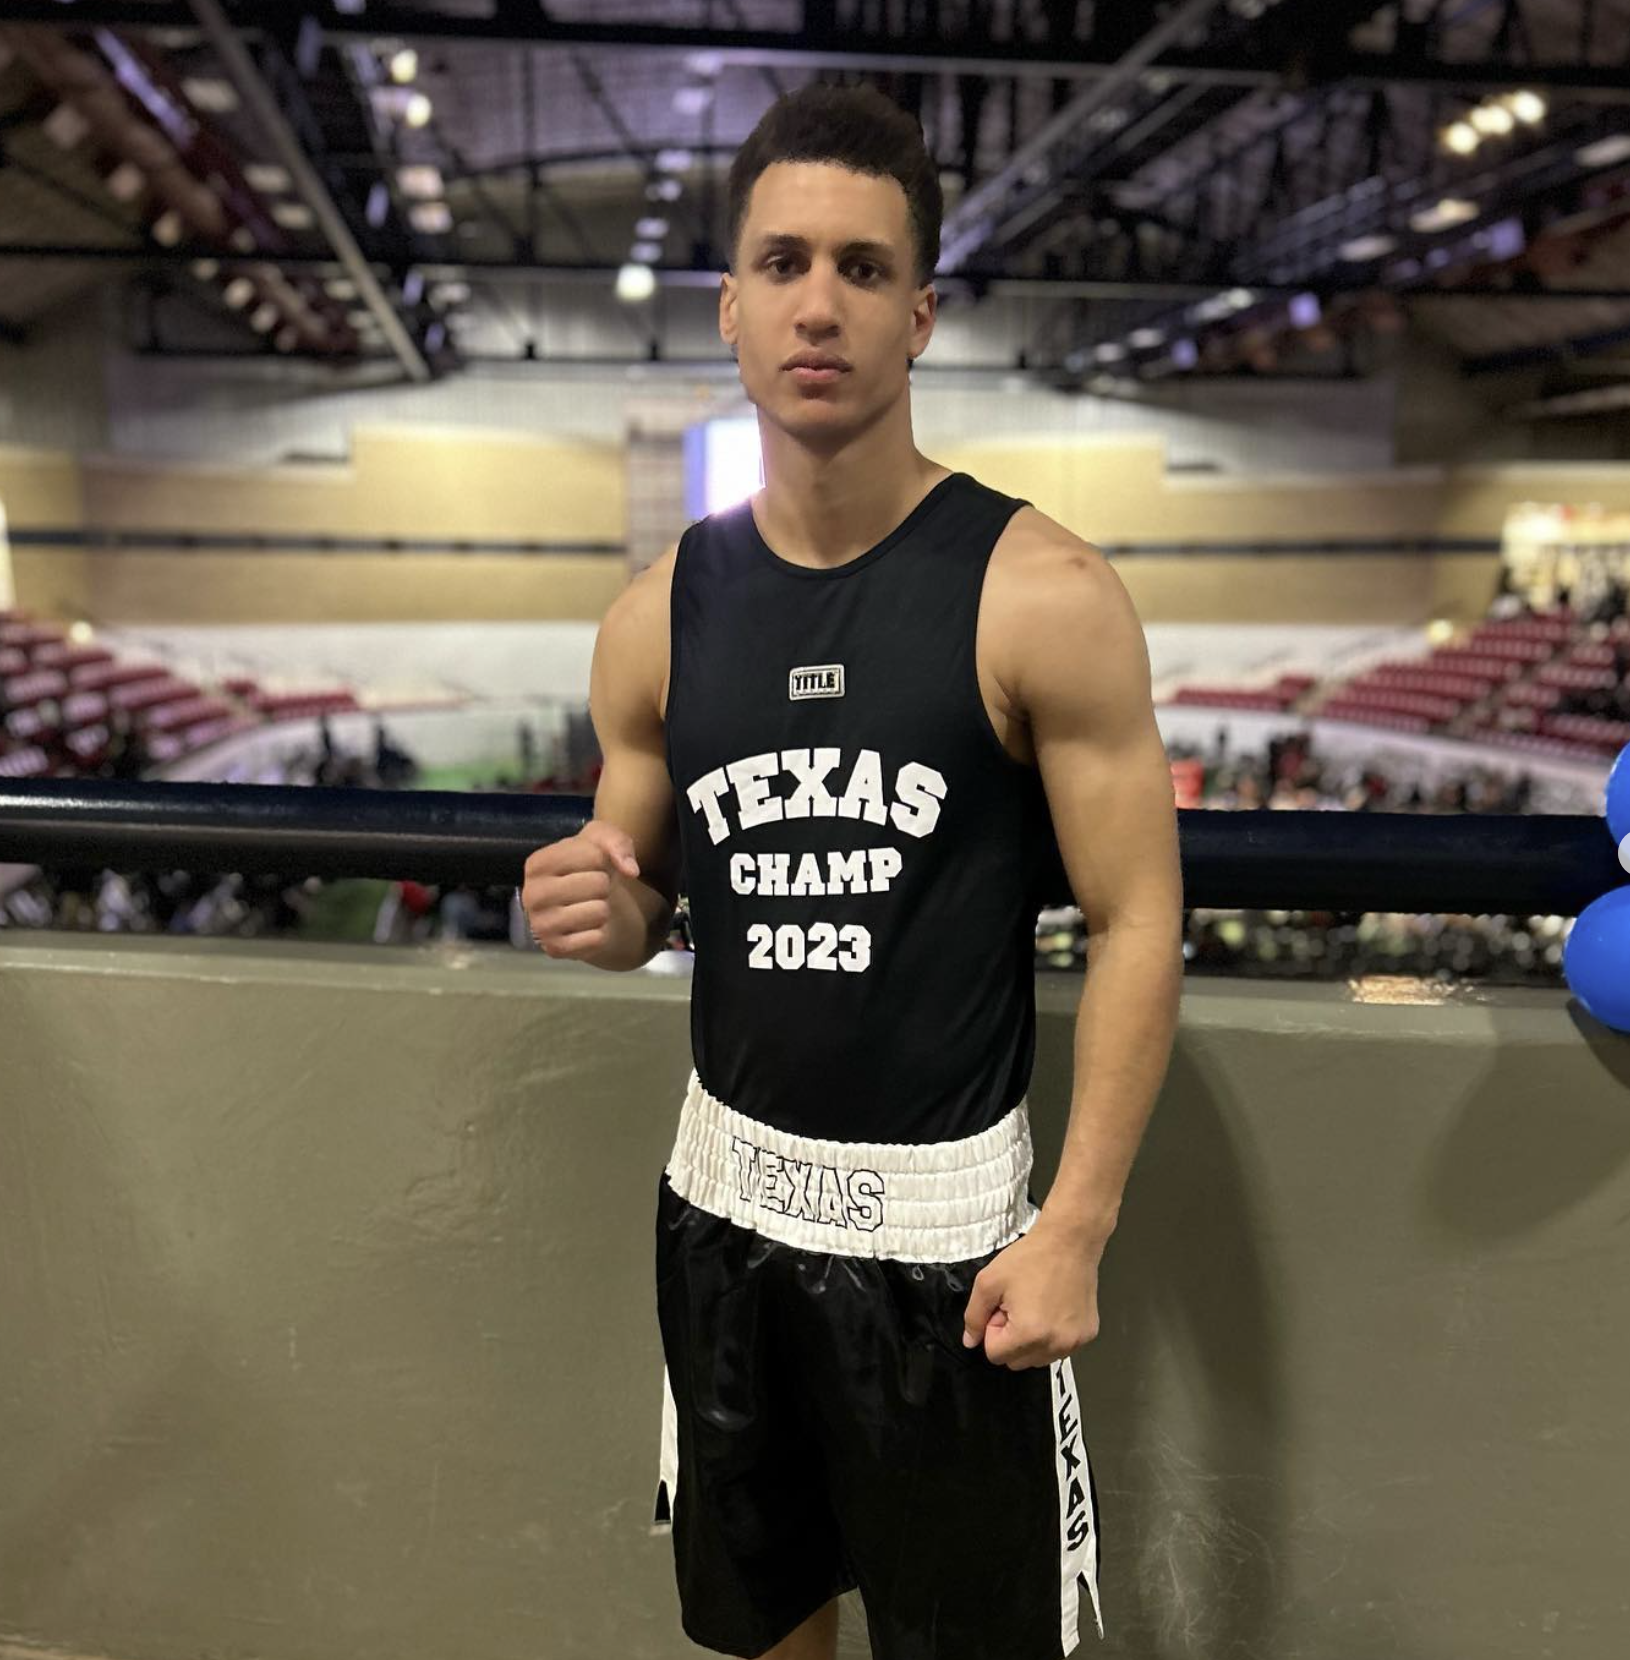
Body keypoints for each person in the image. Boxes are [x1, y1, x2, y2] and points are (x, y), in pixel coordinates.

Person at [520, 82, 1184, 1660]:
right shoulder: (653, 615)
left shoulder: (1043, 595)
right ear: (732, 309)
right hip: (722, 1204)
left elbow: (1137, 913)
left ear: (920, 316)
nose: (821, 301)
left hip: (948, 1245)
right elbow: (647, 905)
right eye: (785, 262)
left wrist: (1076, 1222)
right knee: (763, 1632)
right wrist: (601, 914)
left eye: (865, 268)